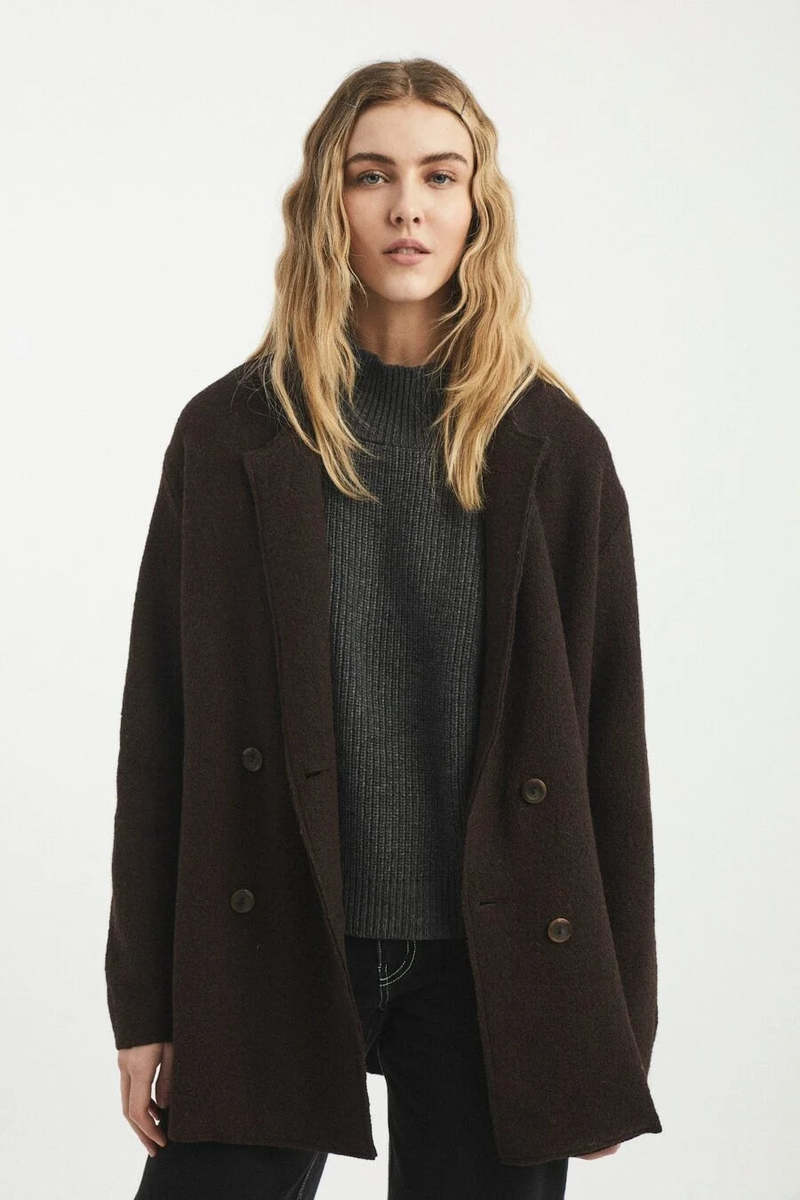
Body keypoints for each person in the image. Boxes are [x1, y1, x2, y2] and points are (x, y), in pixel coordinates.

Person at [107, 57, 661, 1200]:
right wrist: (144, 1002)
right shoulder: (228, 437)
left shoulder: (555, 453)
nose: (406, 207)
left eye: (438, 176)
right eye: (372, 176)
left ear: (476, 207)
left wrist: (607, 1029)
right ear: (328, 202)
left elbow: (607, 754)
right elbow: (158, 732)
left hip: (496, 959)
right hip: (271, 933)